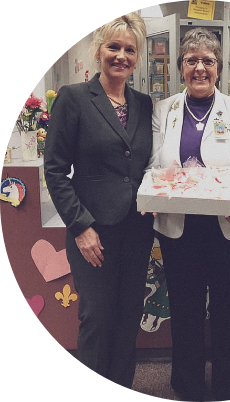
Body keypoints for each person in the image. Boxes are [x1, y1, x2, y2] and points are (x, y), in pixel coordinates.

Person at [146, 28, 230, 401]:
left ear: (217, 67)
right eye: (192, 60)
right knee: (185, 310)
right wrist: (149, 193)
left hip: (229, 229)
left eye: (208, 60)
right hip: (178, 230)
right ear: (181, 67)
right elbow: (153, 167)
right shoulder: (163, 110)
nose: (200, 68)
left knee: (228, 312)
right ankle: (188, 384)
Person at [44, 13, 154, 389]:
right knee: (97, 317)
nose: (121, 55)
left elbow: (148, 165)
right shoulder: (74, 98)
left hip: (137, 229)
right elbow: (55, 171)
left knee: (128, 317)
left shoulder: (143, 103)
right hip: (92, 230)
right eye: (114, 47)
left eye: (129, 49)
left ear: (137, 57)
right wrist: (80, 227)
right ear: (98, 50)